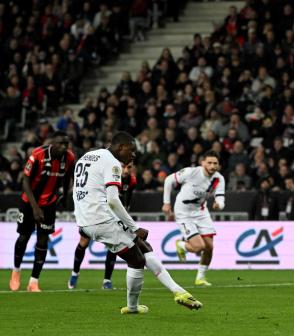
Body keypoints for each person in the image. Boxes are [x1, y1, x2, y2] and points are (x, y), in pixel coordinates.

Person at [73, 131, 202, 314]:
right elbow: (113, 200)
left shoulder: (89, 155)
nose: (133, 155)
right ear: (121, 147)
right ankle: (133, 308)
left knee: (144, 247)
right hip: (102, 217)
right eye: (131, 151)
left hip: (86, 218)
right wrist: (135, 227)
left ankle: (178, 291)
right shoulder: (112, 163)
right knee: (136, 258)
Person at [10, 131, 75, 292]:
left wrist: (66, 196)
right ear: (53, 142)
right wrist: (35, 208)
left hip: (49, 203)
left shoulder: (69, 158)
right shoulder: (37, 155)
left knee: (43, 241)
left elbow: (67, 177)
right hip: (29, 201)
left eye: (66, 144)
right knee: (23, 237)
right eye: (61, 143)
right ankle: (16, 271)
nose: (64, 147)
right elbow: (25, 181)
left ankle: (33, 282)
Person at [67, 163, 137, 290]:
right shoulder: (108, 176)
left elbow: (127, 200)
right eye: (123, 167)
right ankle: (75, 273)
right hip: (96, 214)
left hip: (114, 215)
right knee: (83, 242)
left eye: (129, 167)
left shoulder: (131, 180)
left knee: (114, 246)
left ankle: (106, 281)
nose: (126, 170)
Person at [162, 150, 225, 287]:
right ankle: (181, 244)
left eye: (215, 163)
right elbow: (168, 180)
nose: (212, 166)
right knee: (198, 246)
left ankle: (200, 278)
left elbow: (220, 197)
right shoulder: (191, 172)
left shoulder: (218, 179)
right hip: (183, 211)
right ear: (202, 163)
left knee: (209, 247)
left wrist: (219, 204)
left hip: (201, 212)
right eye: (209, 162)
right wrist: (166, 202)